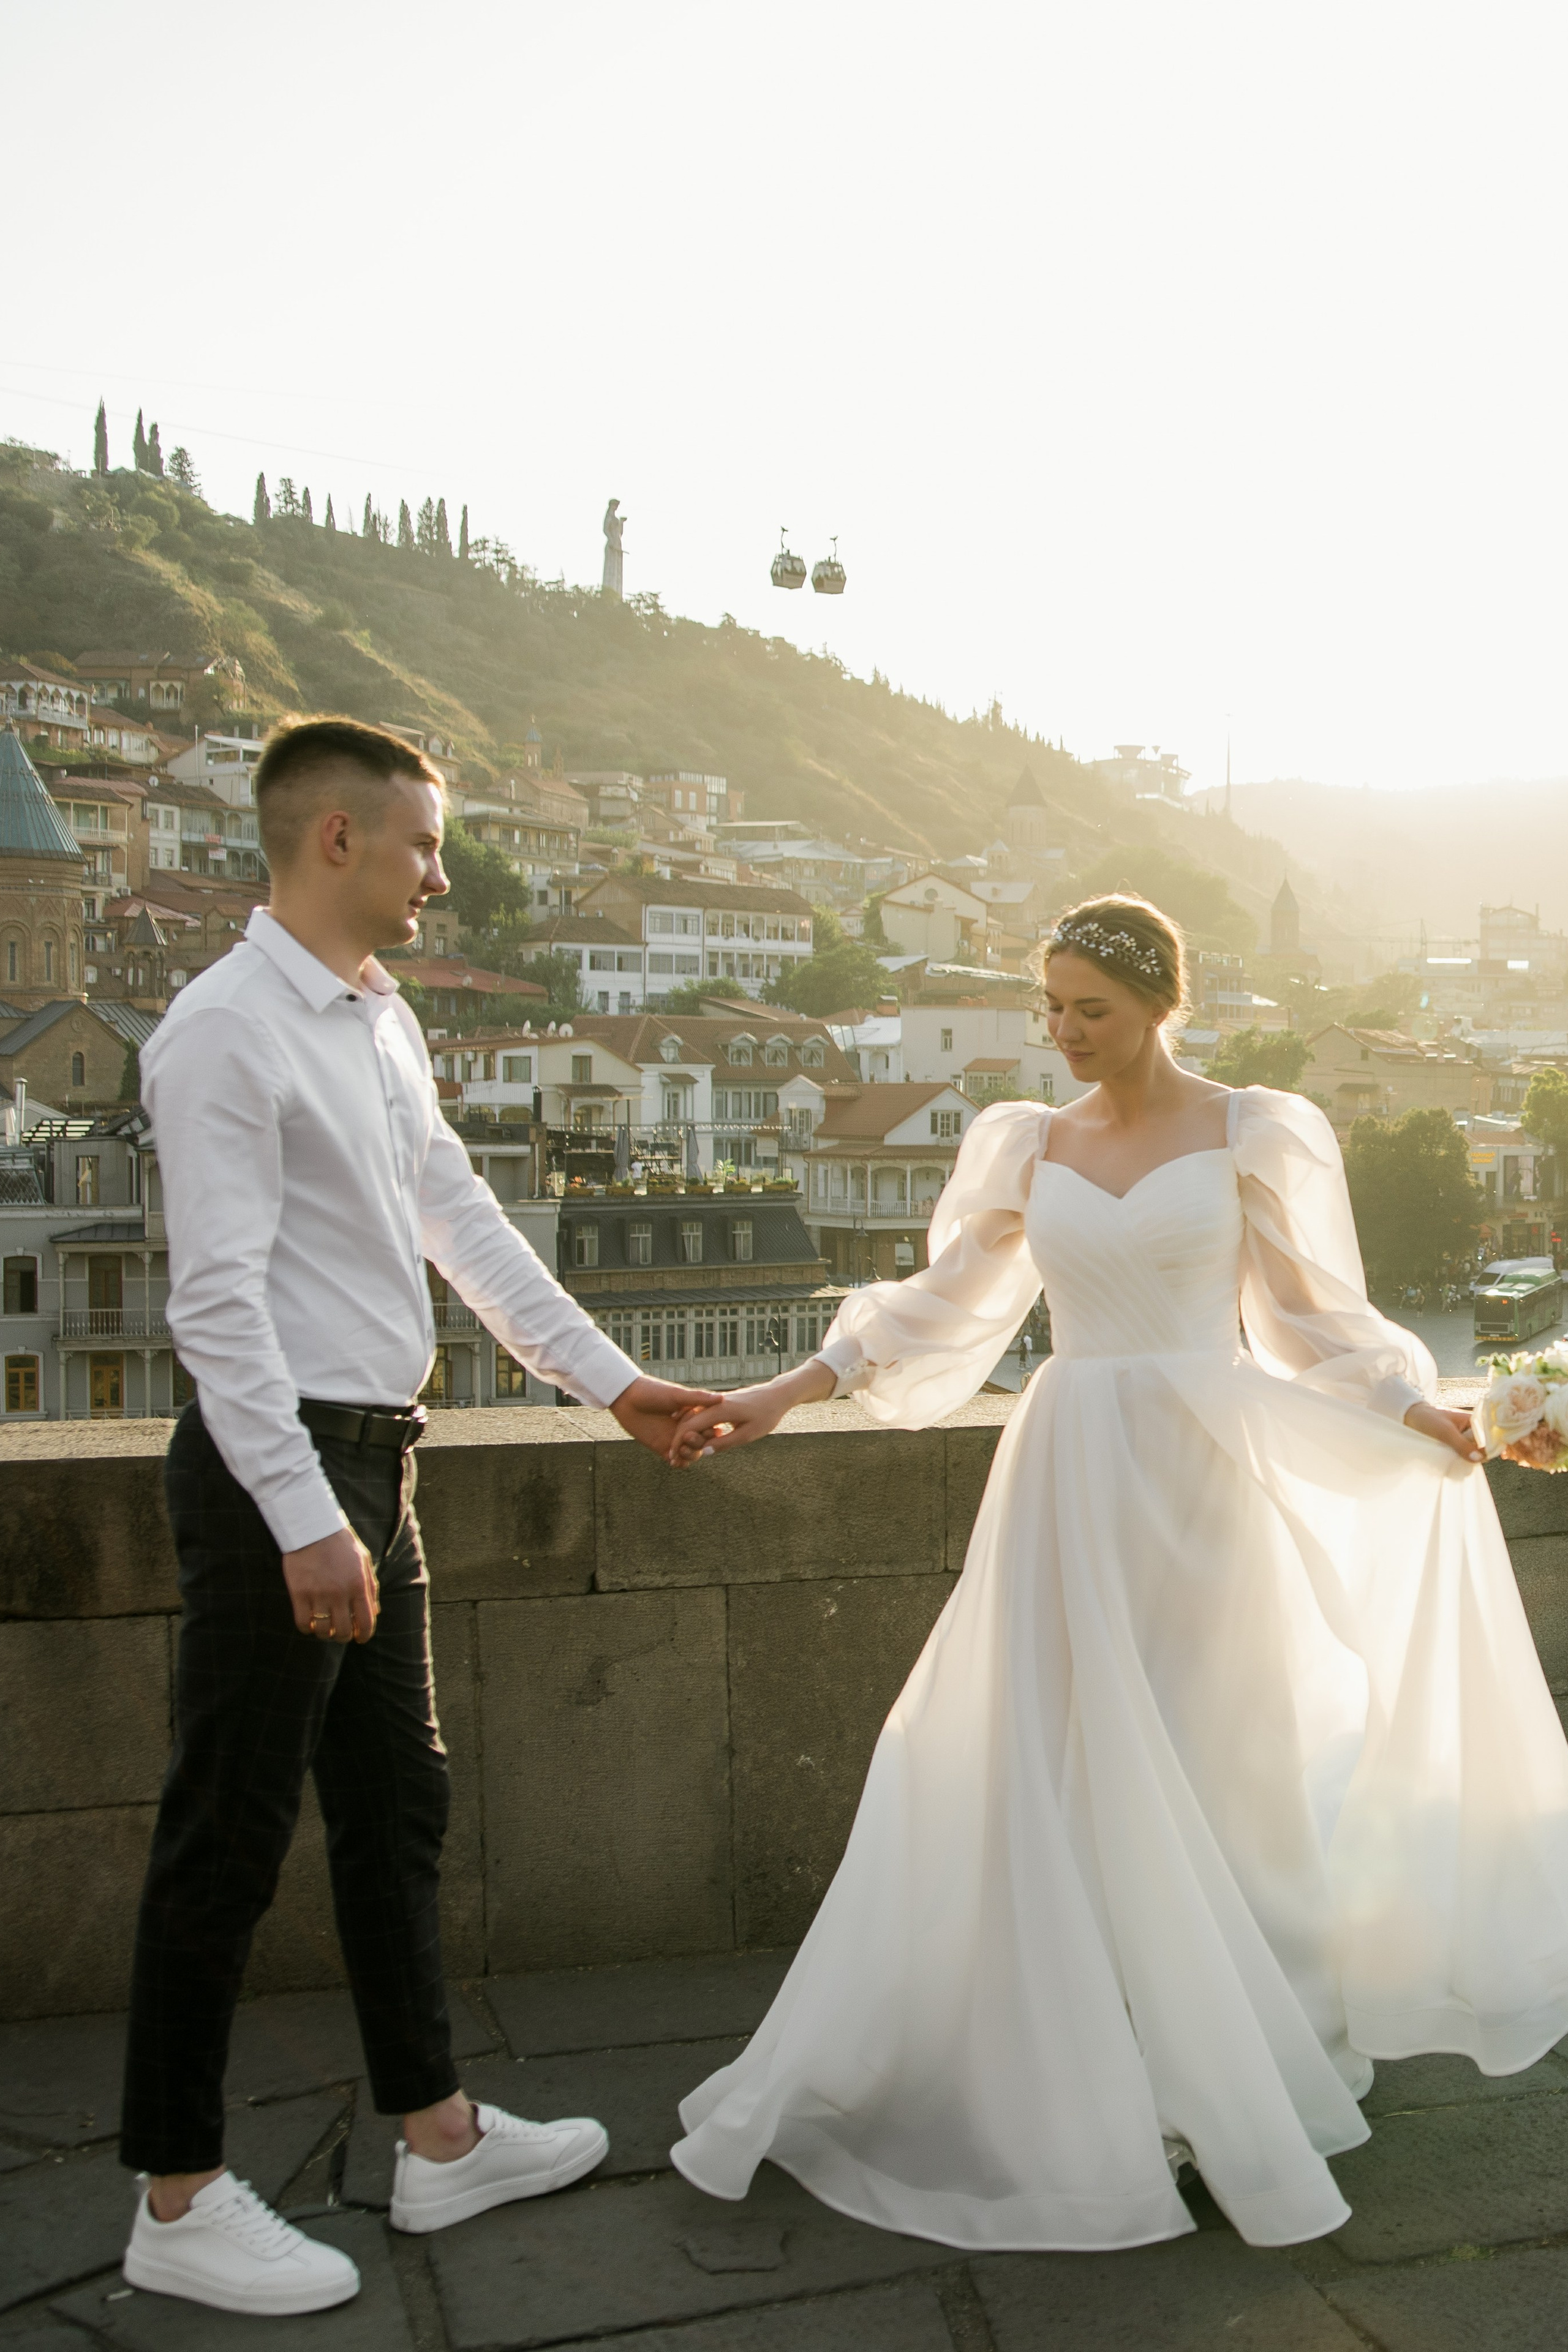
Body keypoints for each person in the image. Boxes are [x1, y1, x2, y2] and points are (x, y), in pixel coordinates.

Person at [665, 894, 1568, 2252]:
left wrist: (1417, 1409)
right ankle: (1106, 2074)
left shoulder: (1250, 1129)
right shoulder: (1024, 1145)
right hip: (1070, 1470)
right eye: (1050, 1007)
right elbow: (938, 1305)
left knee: (1223, 1756)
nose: (1062, 1032)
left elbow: (1314, 1315)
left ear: (1159, 999)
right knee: (1054, 1753)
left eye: (1088, 1006)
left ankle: (1236, 2064)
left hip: (1203, 1479)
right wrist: (787, 1390)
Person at [119, 718, 715, 2318]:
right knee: (227, 1838)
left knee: (400, 1812)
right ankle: (175, 2196)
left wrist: (609, 1383)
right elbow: (218, 1309)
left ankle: (440, 2136)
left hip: (378, 1456)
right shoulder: (224, 1030)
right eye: (425, 846)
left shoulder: (376, 1021)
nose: (441, 876)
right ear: (335, 842)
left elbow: (462, 1219)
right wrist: (310, 1522)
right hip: (285, 1477)